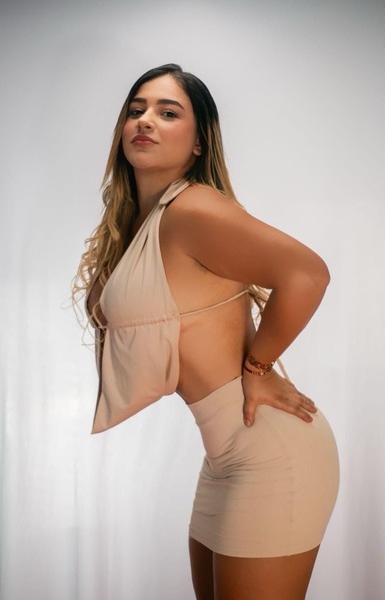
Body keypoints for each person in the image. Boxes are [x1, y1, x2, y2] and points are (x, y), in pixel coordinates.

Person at [73, 63, 339, 600]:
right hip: (224, 457)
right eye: (136, 110)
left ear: (198, 142)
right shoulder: (140, 224)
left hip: (272, 452)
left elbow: (307, 274)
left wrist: (258, 366)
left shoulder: (190, 208)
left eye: (168, 112)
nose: (145, 120)